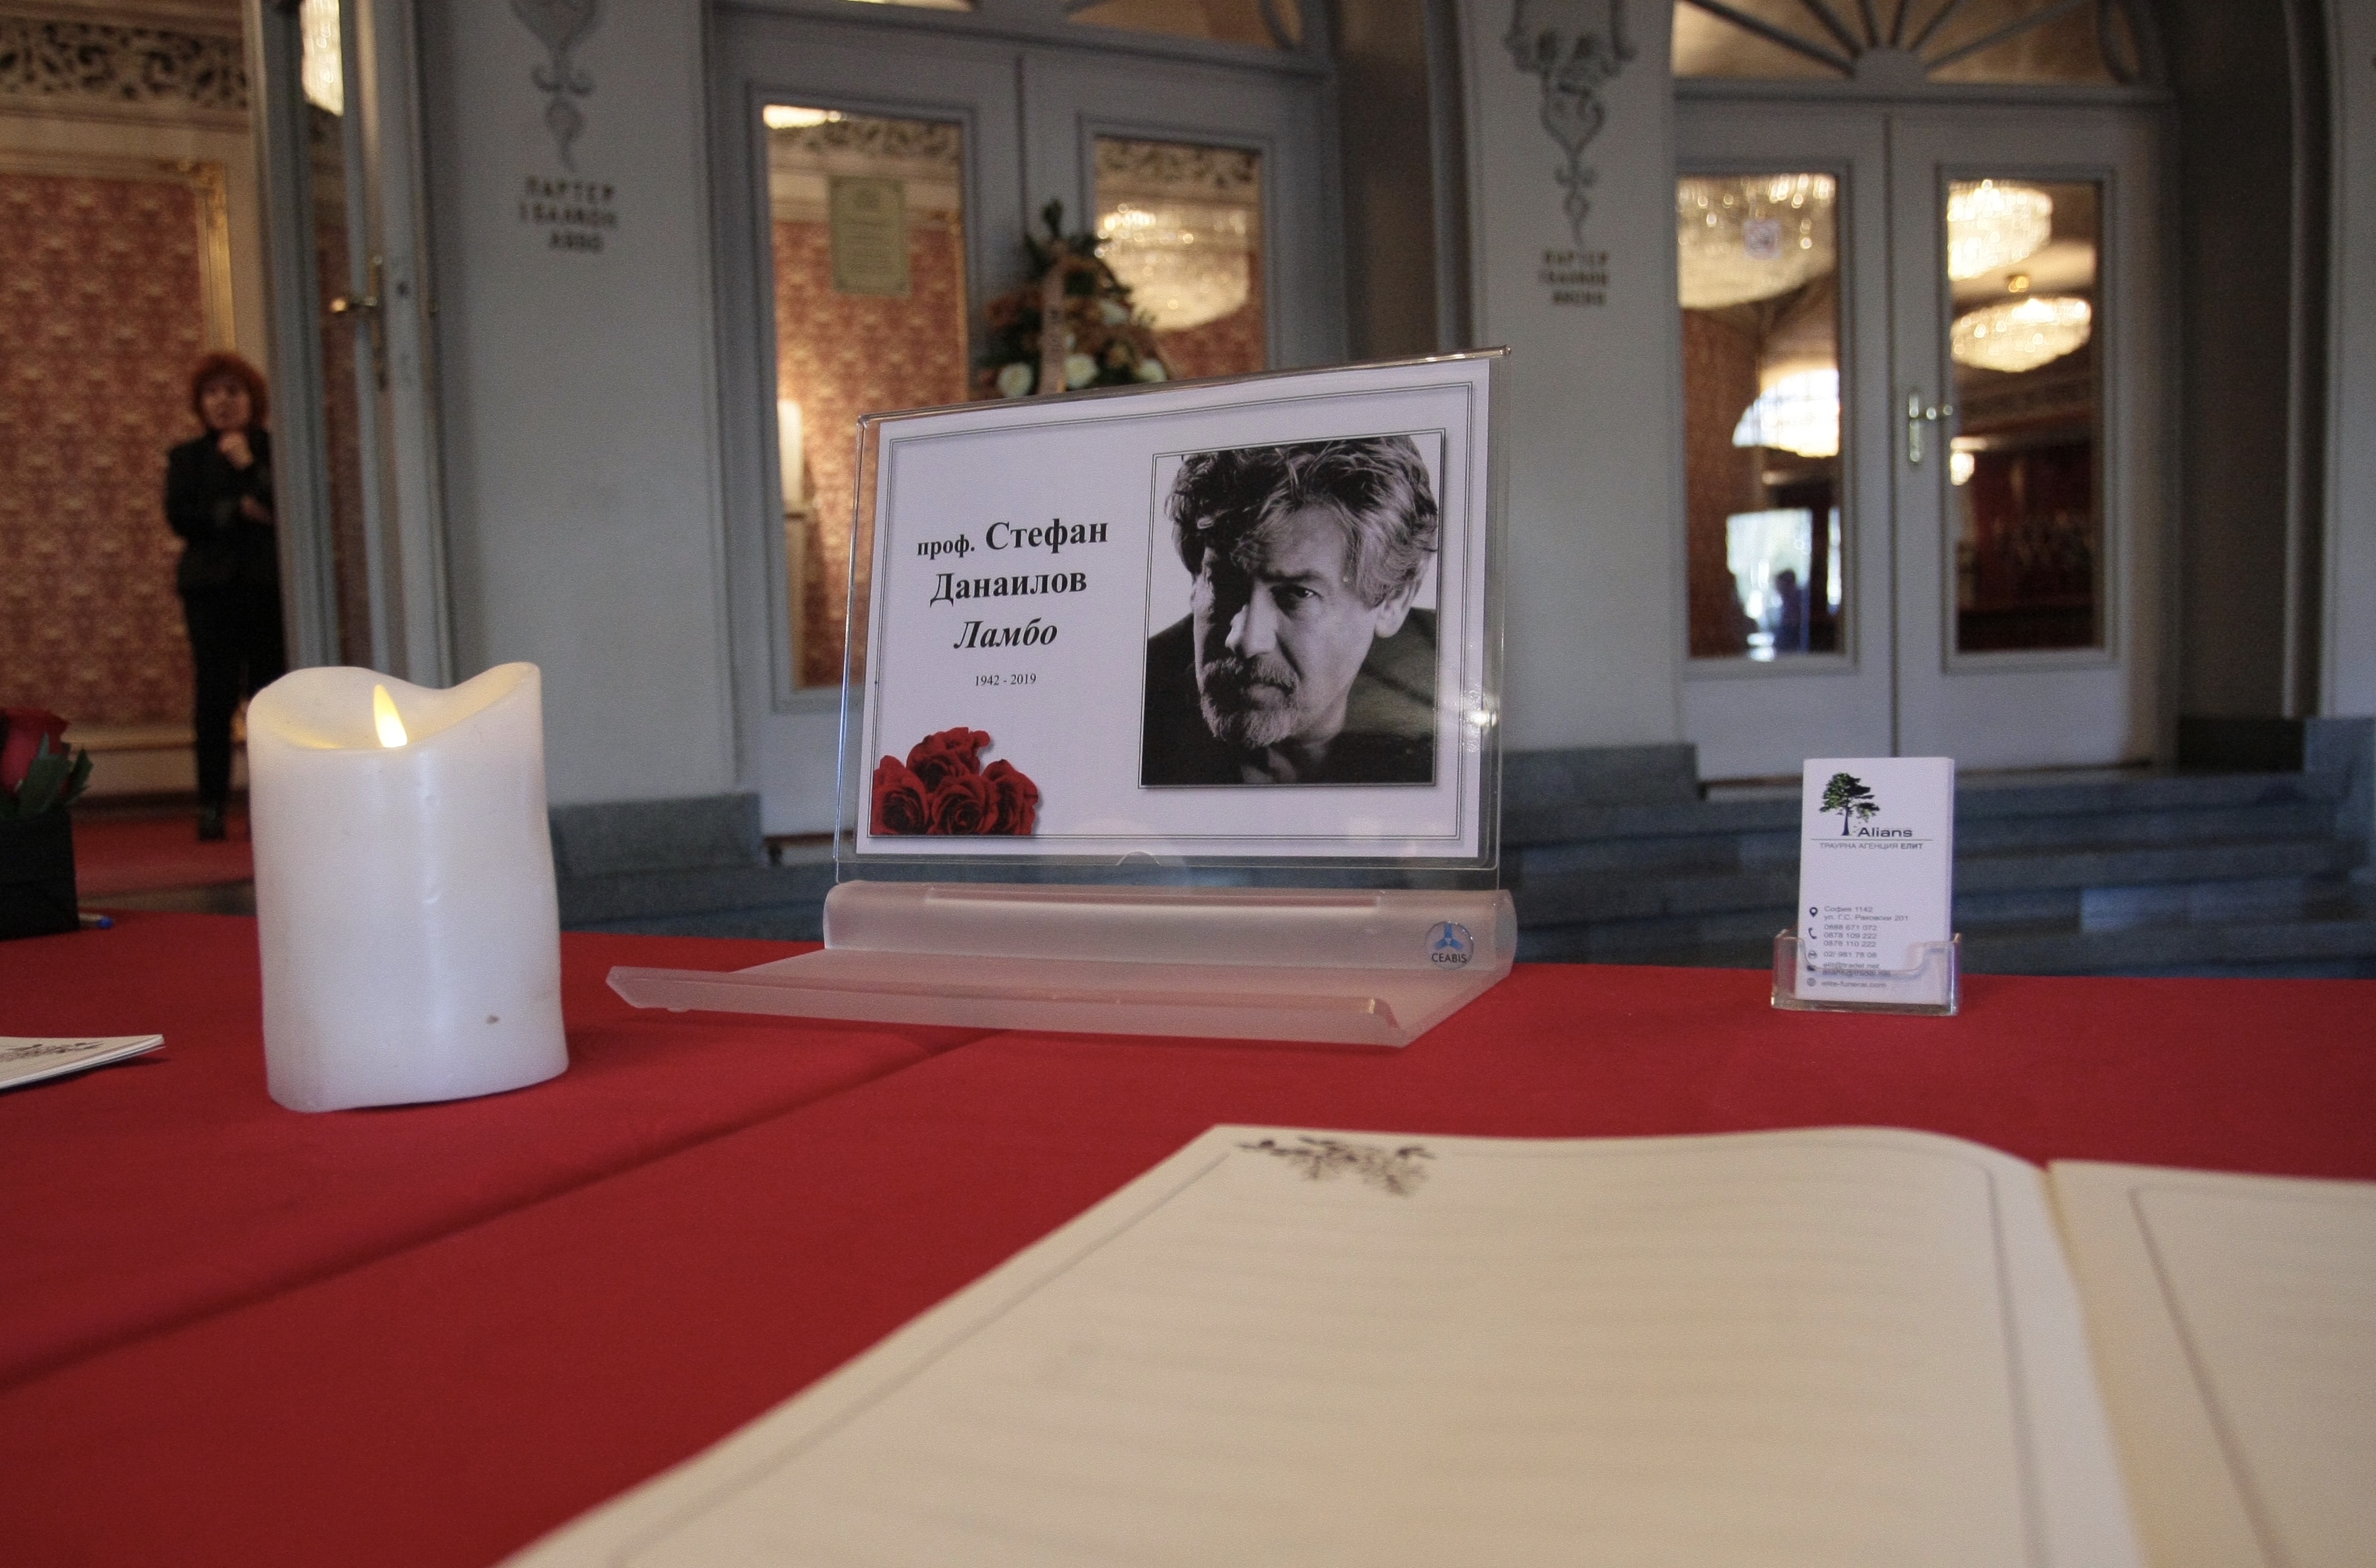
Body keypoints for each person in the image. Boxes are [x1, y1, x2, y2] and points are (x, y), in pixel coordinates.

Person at [1141, 436, 1439, 787]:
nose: (1244, 640)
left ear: (1394, 600)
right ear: (1196, 579)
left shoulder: (1449, 696)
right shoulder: (1131, 705)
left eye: (1297, 594)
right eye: (1223, 584)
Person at [164, 352, 285, 841]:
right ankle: (212, 804)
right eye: (212, 393)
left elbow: (284, 504)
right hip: (209, 594)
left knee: (268, 698)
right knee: (213, 699)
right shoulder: (187, 458)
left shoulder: (275, 449)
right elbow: (182, 517)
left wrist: (247, 464)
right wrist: (239, 509)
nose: (222, 402)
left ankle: (272, 802)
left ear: (252, 399)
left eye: (233, 391)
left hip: (267, 589)